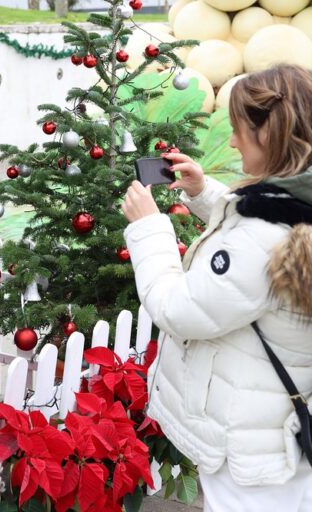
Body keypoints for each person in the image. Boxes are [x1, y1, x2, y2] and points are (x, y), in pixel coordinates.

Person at [121, 64, 312, 512]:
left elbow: (179, 309)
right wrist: (206, 192)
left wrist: (150, 229)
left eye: (239, 130)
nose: (230, 142)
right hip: (281, 437)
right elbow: (259, 229)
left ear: (270, 134)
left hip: (252, 455)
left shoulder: (262, 240)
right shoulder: (296, 209)